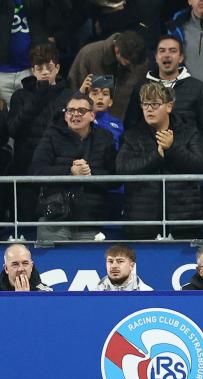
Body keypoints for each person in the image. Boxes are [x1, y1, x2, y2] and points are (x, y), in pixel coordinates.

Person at [116, 82, 203, 240]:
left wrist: (172, 149)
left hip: (184, 221)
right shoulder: (132, 135)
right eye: (145, 104)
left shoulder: (189, 132)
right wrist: (156, 157)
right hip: (142, 220)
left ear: (169, 106)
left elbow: (199, 166)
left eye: (155, 104)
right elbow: (123, 169)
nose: (149, 109)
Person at [30, 93, 117, 241]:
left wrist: (90, 174)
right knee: (53, 264)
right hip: (54, 218)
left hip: (90, 219)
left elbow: (115, 178)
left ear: (92, 115)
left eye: (81, 110)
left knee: (87, 263)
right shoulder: (51, 135)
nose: (75, 114)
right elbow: (36, 172)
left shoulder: (105, 137)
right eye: (70, 110)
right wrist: (69, 172)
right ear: (65, 116)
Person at [7, 43, 74, 224]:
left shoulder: (69, 96)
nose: (45, 72)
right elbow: (13, 129)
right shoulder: (20, 96)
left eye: (49, 67)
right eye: (39, 68)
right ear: (32, 70)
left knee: (54, 225)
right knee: (26, 222)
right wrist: (38, 96)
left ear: (58, 68)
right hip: (25, 168)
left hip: (57, 168)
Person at [68, 30, 147, 119]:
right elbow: (73, 90)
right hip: (88, 122)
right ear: (117, 51)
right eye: (128, 64)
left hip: (119, 125)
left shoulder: (139, 61)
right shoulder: (89, 55)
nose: (132, 68)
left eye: (135, 65)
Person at [79, 74, 124, 143]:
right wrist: (80, 93)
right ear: (86, 99)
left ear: (110, 102)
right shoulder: (78, 119)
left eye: (105, 94)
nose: (100, 97)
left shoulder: (117, 123)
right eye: (95, 93)